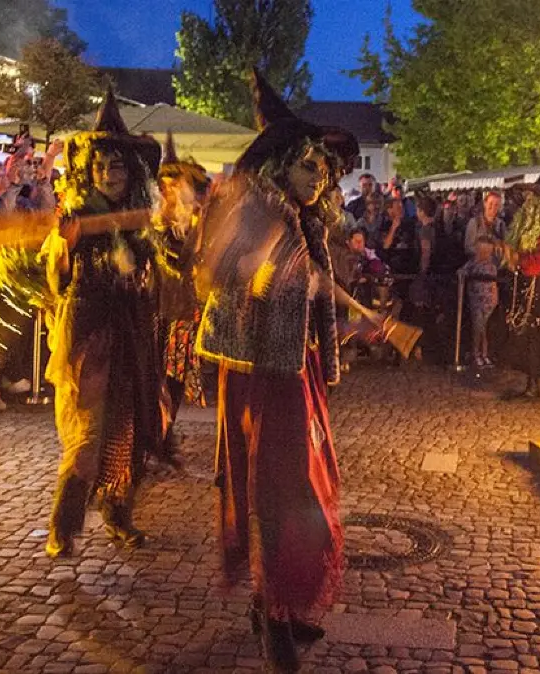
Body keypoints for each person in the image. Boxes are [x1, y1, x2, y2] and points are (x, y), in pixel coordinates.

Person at [195, 70, 356, 672]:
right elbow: (213, 274)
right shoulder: (253, 213)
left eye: (322, 169)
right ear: (280, 165)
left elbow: (312, 294)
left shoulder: (305, 222)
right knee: (272, 493)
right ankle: (273, 617)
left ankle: (281, 607)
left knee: (306, 491)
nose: (317, 177)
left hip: (298, 371)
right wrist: (260, 272)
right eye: (307, 166)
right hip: (257, 375)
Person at [41, 89, 165, 558]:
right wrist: (68, 246)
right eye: (99, 166)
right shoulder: (74, 216)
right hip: (88, 336)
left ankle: (118, 515)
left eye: (115, 166)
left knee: (129, 429)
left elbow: (158, 267)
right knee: (89, 436)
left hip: (131, 332)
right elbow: (57, 282)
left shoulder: (139, 221)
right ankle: (64, 525)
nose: (107, 174)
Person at [155, 132, 210, 465]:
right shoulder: (156, 221)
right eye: (166, 185)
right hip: (154, 309)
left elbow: (192, 263)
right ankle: (153, 435)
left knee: (174, 378)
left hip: (181, 310)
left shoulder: (192, 221)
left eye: (176, 184)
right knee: (153, 375)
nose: (171, 190)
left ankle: (164, 434)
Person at [498, 169, 540, 400]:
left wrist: (517, 257)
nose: (527, 203)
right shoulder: (529, 229)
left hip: (537, 287)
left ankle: (534, 386)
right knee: (525, 333)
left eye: (533, 200)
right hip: (527, 285)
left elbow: (538, 262)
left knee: (535, 335)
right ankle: (529, 383)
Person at [459, 236, 499, 369]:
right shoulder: (472, 263)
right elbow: (461, 272)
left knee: (484, 328)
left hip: (488, 301)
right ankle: (476, 354)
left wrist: (495, 298)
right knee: (478, 327)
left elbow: (494, 284)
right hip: (476, 300)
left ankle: (484, 353)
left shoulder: (491, 265)